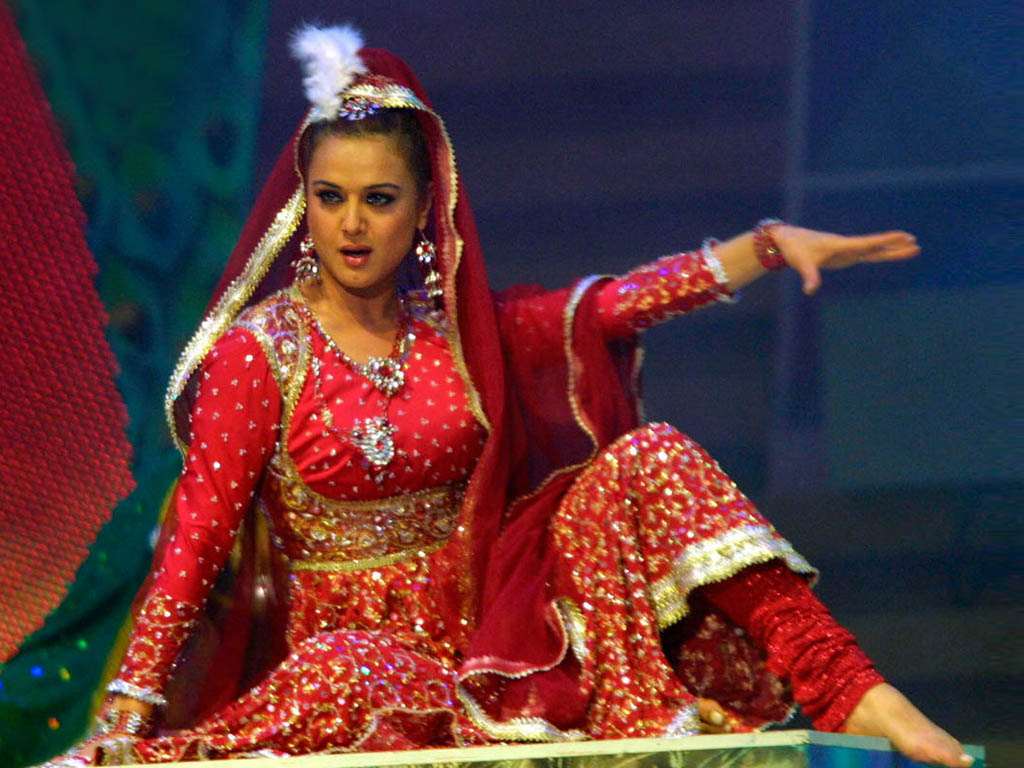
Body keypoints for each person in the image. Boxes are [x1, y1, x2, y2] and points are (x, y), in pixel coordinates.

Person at [43, 25, 971, 768]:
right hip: (359, 671)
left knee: (654, 458)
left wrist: (762, 248)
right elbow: (199, 534)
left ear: (424, 209)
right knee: (341, 671)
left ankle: (852, 688)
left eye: (379, 199)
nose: (352, 225)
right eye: (330, 197)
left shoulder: (460, 332)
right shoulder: (261, 353)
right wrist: (128, 707)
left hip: (504, 638)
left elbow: (609, 306)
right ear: (304, 202)